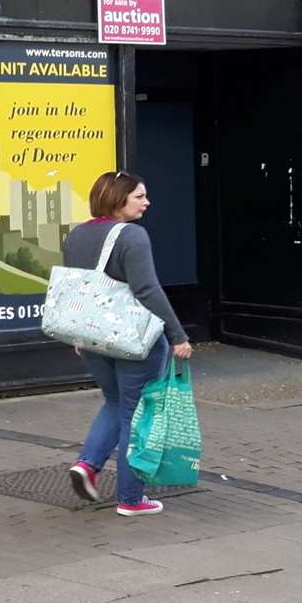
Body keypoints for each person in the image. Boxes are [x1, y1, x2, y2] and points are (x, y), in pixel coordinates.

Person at [62, 171, 193, 516]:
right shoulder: (133, 236)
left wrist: (79, 334)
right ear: (118, 200)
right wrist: (177, 335)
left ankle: (88, 465)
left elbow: (79, 288)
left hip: (93, 340)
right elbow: (147, 289)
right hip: (135, 341)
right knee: (136, 416)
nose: (147, 202)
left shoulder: (76, 235)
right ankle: (131, 498)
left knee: (115, 403)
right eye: (139, 196)